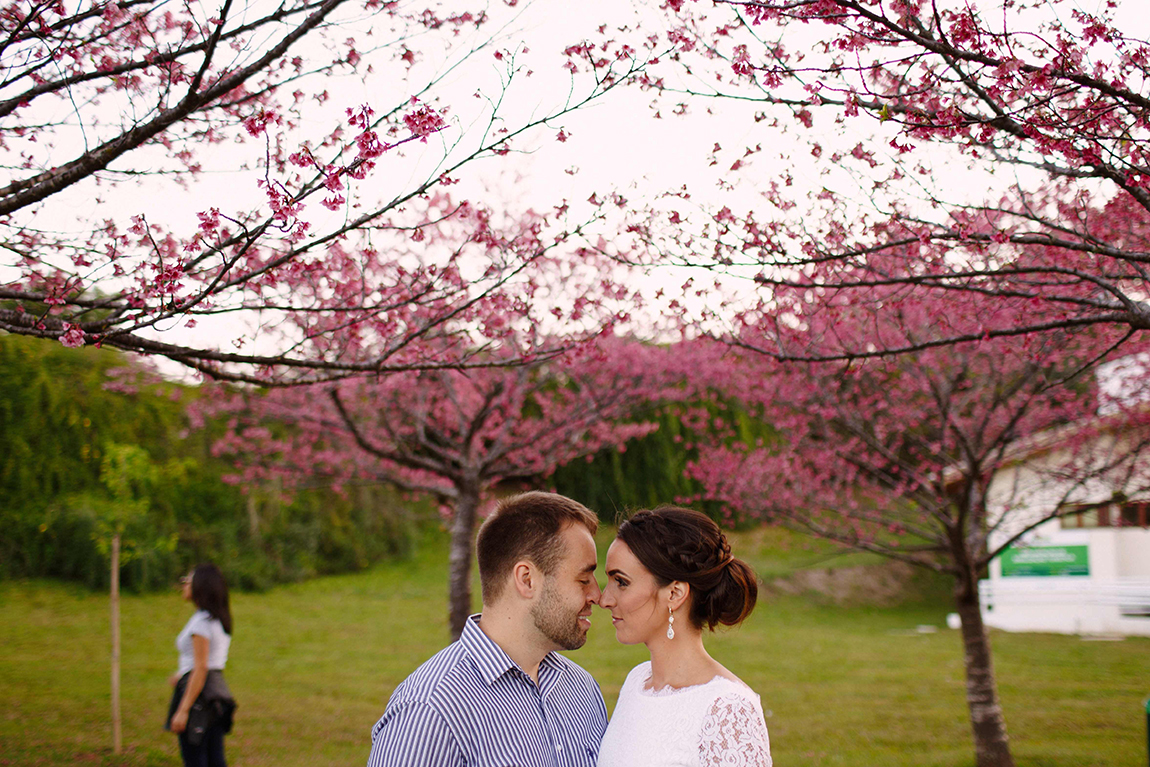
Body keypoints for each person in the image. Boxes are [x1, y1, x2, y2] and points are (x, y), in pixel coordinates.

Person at [367, 491, 608, 767]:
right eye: (583, 579)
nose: (597, 596)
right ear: (527, 580)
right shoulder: (429, 710)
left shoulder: (581, 690)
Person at [596, 506, 771, 767]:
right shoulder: (637, 682)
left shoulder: (728, 710)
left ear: (675, 593)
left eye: (621, 582)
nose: (604, 599)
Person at [167, 563, 236, 767]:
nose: (184, 585)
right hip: (215, 693)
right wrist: (181, 675)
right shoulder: (218, 619)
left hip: (199, 695)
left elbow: (201, 668)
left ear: (200, 586)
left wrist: (183, 709)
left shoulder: (201, 624)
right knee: (215, 758)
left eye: (187, 581)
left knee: (195, 759)